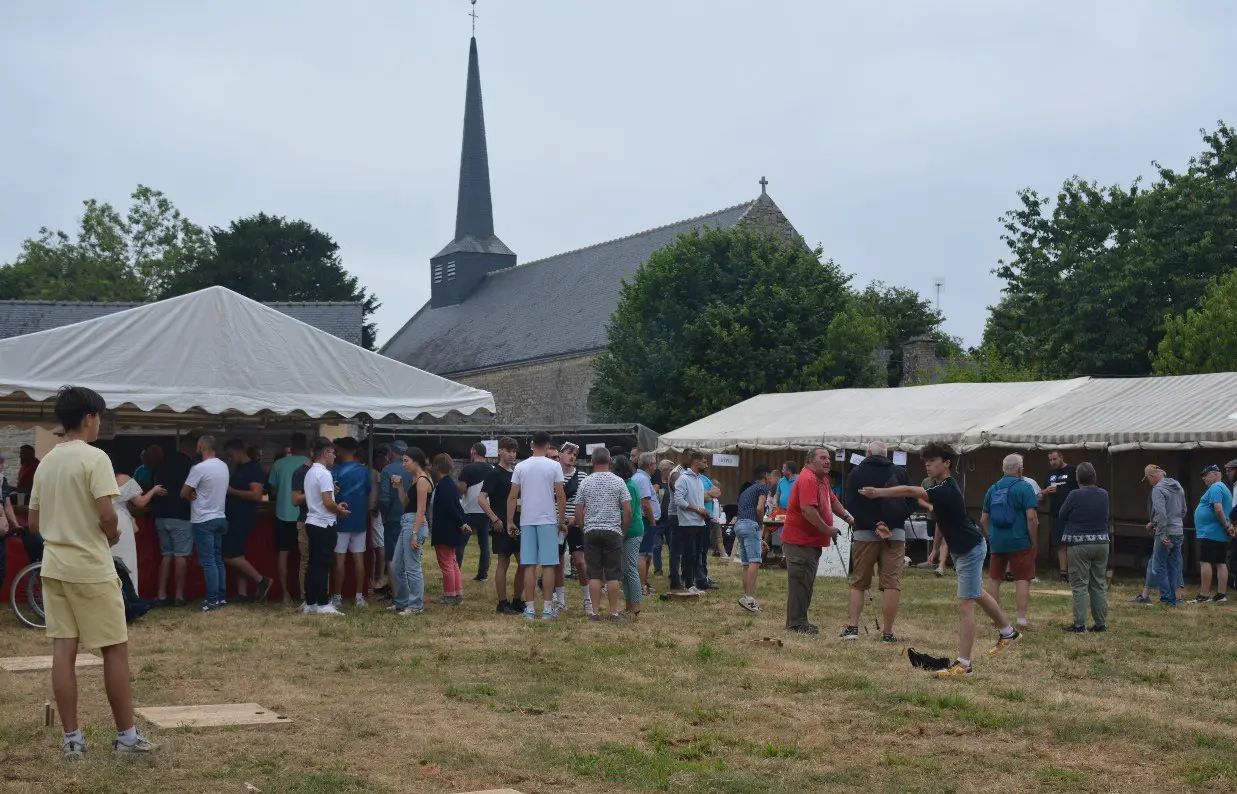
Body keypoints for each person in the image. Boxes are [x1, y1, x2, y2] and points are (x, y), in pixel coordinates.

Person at [28, 385, 159, 758]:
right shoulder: (95, 457)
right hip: (90, 565)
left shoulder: (46, 461)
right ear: (88, 417)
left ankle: (72, 739)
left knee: (63, 648)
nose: (100, 423)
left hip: (54, 565)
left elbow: (34, 522)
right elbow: (106, 514)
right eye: (99, 416)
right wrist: (113, 534)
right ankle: (126, 737)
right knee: (114, 648)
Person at [862, 442, 1022, 678]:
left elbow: (911, 491)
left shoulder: (946, 489)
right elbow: (942, 521)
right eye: (926, 461)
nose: (927, 465)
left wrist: (879, 492)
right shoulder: (942, 487)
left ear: (946, 463)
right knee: (977, 593)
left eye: (932, 461)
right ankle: (1008, 633)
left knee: (965, 604)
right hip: (966, 549)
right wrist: (936, 548)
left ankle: (964, 664)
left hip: (970, 549)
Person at [842, 441, 915, 642]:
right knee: (892, 584)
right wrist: (889, 523)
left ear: (867, 453)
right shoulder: (900, 472)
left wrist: (874, 525)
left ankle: (853, 628)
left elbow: (851, 504)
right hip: (895, 533)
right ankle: (888, 633)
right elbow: (912, 502)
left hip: (865, 533)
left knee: (859, 582)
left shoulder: (856, 473)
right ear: (887, 454)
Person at [782, 448, 854, 634]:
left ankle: (800, 620)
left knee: (805, 582)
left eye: (828, 458)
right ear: (809, 461)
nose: (827, 461)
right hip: (800, 541)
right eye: (822, 458)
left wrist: (848, 518)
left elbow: (833, 501)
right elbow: (808, 510)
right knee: (800, 582)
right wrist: (827, 529)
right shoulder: (808, 479)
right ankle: (796, 623)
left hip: (810, 541)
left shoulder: (823, 480)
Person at [509, 430, 566, 621]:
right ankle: (548, 609)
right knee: (549, 565)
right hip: (548, 520)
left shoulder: (520, 466)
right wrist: (561, 520)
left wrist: (509, 521)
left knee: (529, 566)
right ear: (548, 446)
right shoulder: (554, 466)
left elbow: (512, 496)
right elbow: (560, 495)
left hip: (527, 520)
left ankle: (530, 609)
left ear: (532, 444)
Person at [980, 454, 1039, 629]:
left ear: (1003, 468)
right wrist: (1033, 541)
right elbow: (1032, 518)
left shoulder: (993, 488)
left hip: (998, 541)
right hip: (1020, 540)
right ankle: (1021, 619)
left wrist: (991, 536)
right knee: (1022, 578)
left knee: (995, 578)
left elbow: (983, 519)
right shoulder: (1025, 487)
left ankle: (995, 618)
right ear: (1020, 468)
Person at [575, 447, 632, 620]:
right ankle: (614, 612)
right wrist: (623, 530)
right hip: (612, 530)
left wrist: (583, 527)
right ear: (610, 461)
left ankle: (594, 612)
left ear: (592, 462)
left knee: (594, 573)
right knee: (613, 574)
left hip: (591, 530)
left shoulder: (585, 482)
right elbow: (627, 510)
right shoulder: (618, 482)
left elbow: (578, 510)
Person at [1058, 462, 1110, 632]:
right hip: (1102, 542)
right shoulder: (1104, 494)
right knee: (1098, 584)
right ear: (1094, 477)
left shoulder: (1075, 494)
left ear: (1078, 478)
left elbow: (1062, 514)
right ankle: (1100, 623)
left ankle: (1079, 624)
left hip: (1079, 543)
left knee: (1079, 585)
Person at [302, 437, 350, 615]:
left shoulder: (310, 472)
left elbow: (323, 498)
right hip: (324, 523)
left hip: (312, 521)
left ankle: (311, 601)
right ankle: (322, 602)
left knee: (314, 564)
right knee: (323, 564)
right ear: (325, 453)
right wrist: (340, 511)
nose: (335, 456)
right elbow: (328, 502)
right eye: (332, 453)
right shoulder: (324, 474)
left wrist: (335, 503)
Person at [183, 435, 230, 613]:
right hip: (220, 515)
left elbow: (183, 492)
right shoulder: (223, 466)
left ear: (202, 447)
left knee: (208, 561)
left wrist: (192, 493)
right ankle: (221, 597)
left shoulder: (199, 468)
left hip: (203, 518)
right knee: (218, 559)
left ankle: (211, 601)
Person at [223, 439, 272, 603]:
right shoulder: (238, 468)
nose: (230, 458)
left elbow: (256, 495)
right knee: (239, 555)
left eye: (231, 455)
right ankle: (242, 593)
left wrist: (232, 491)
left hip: (243, 517)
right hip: (234, 516)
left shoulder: (253, 469)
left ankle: (262, 580)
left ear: (239, 451)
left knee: (229, 555)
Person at [481, 437, 524, 614]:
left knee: (524, 562)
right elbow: (481, 498)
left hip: (518, 522)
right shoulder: (494, 473)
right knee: (503, 562)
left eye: (514, 451)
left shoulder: (516, 472)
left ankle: (517, 600)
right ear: (500, 451)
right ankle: (502, 602)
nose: (512, 454)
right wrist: (494, 519)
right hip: (501, 523)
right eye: (508, 451)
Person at [150, 435, 195, 606]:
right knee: (181, 556)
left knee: (166, 555)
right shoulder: (191, 466)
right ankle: (179, 596)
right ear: (191, 448)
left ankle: (161, 594)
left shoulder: (162, 464)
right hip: (181, 516)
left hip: (161, 516)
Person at [268, 433, 309, 606]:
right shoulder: (310, 464)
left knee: (283, 554)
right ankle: (305, 594)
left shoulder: (279, 464)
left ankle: (285, 594)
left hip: (283, 514)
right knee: (306, 557)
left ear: (291, 446)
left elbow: (273, 491)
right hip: (304, 515)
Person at [330, 437, 372, 609]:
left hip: (340, 519)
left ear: (339, 450)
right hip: (359, 519)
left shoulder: (334, 470)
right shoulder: (364, 472)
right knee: (358, 558)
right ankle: (359, 597)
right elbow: (368, 493)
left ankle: (337, 597)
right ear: (355, 450)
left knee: (339, 559)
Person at [392, 447, 433, 615]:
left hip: (415, 523)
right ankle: (402, 602)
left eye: (406, 461)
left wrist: (415, 534)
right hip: (407, 522)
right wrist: (400, 487)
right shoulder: (415, 479)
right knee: (397, 566)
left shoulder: (423, 479)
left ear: (416, 461)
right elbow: (405, 503)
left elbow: (421, 509)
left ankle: (416, 605)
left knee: (412, 567)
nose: (404, 464)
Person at [111, 470, 165, 595]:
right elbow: (140, 503)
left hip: (106, 518)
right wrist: (154, 490)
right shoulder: (124, 478)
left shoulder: (97, 478)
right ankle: (130, 594)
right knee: (126, 559)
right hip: (122, 520)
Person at [1140, 465, 1188, 606]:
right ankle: (1175, 599)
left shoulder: (1158, 489)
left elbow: (1161, 514)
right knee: (1174, 567)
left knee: (1158, 566)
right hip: (1178, 531)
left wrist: (1161, 534)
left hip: (1166, 532)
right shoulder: (1178, 486)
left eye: (1148, 479)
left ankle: (1167, 598)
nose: (1149, 482)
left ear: (1152, 476)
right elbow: (1184, 510)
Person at [735, 464, 778, 613]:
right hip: (750, 524)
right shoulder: (762, 488)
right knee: (755, 561)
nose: (771, 479)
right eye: (770, 476)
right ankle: (748, 598)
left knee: (746, 564)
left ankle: (747, 598)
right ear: (766, 476)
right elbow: (760, 508)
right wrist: (760, 524)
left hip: (739, 525)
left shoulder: (747, 489)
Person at [1193, 464, 1234, 603]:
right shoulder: (1223, 487)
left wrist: (1226, 526)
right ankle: (1221, 595)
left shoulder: (1216, 487)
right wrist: (1226, 527)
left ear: (1215, 474)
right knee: (1220, 562)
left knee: (1205, 561)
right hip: (1218, 532)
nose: (1203, 478)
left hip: (1211, 532)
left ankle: (1204, 595)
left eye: (1206, 475)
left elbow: (1218, 509)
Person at [430, 453, 467, 605]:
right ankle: (457, 592)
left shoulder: (443, 486)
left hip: (444, 529)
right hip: (453, 529)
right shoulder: (451, 484)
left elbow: (450, 507)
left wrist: (460, 522)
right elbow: (457, 507)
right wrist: (461, 523)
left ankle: (449, 595)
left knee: (446, 563)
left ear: (437, 467)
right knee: (452, 561)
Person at [673, 451, 711, 596]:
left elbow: (697, 500)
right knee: (689, 555)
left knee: (697, 555)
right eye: (704, 461)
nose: (706, 464)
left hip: (700, 522)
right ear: (696, 462)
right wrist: (696, 509)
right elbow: (678, 500)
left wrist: (703, 510)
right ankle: (689, 584)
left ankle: (695, 582)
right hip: (688, 523)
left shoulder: (699, 479)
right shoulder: (683, 479)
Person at [557, 441, 588, 614]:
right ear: (560, 454)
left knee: (580, 562)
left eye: (575, 454)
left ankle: (587, 598)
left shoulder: (582, 476)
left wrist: (576, 518)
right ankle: (561, 601)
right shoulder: (552, 474)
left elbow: (587, 502)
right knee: (558, 563)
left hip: (575, 524)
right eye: (569, 453)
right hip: (557, 525)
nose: (572, 457)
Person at [613, 455, 646, 616]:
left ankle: (636, 605)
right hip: (625, 530)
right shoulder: (625, 484)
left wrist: (611, 510)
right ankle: (628, 605)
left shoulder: (630, 486)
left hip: (632, 531)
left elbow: (629, 512)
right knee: (625, 570)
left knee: (630, 568)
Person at [377, 440, 410, 596]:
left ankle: (397, 594)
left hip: (393, 518)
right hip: (411, 518)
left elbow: (384, 499)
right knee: (409, 557)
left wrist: (384, 514)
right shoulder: (413, 469)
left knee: (392, 557)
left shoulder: (388, 470)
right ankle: (410, 592)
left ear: (391, 453)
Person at [1040, 450, 1078, 582]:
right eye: (1050, 460)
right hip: (1056, 514)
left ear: (1061, 457)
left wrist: (1062, 490)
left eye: (1055, 459)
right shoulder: (1050, 474)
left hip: (1072, 514)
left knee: (1073, 544)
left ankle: (1075, 572)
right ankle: (1063, 574)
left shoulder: (1073, 471)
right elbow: (1041, 495)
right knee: (1060, 544)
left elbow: (1080, 490)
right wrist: (1045, 492)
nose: (1052, 462)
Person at [457, 442, 493, 581]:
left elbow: (461, 489)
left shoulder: (468, 468)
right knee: (484, 544)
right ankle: (483, 574)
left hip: (469, 509)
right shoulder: (492, 469)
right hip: (485, 509)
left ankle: (455, 571)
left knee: (461, 543)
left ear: (473, 452)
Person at [665, 449, 693, 593]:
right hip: (676, 514)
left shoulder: (688, 472)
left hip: (685, 513)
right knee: (676, 549)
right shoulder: (676, 473)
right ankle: (675, 580)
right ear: (683, 457)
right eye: (690, 458)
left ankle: (685, 577)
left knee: (686, 548)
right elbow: (680, 494)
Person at [634, 453, 662, 596]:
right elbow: (645, 504)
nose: (656, 467)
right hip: (645, 520)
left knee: (646, 553)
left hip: (644, 520)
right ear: (650, 465)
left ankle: (643, 583)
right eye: (655, 464)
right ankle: (641, 586)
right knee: (643, 554)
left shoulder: (639, 477)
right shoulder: (643, 479)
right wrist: (652, 521)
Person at [368, 447, 389, 593]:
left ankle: (379, 577)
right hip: (374, 510)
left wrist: (375, 507)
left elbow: (380, 493)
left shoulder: (377, 474)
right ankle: (377, 577)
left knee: (378, 545)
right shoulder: (375, 473)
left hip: (375, 512)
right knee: (376, 545)